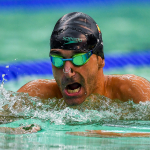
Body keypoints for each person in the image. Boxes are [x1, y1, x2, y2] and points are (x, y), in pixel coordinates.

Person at [1, 12, 150, 136]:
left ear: (100, 59)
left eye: (78, 58)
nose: (67, 71)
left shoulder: (132, 91)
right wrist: (10, 132)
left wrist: (105, 134)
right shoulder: (37, 94)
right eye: (58, 59)